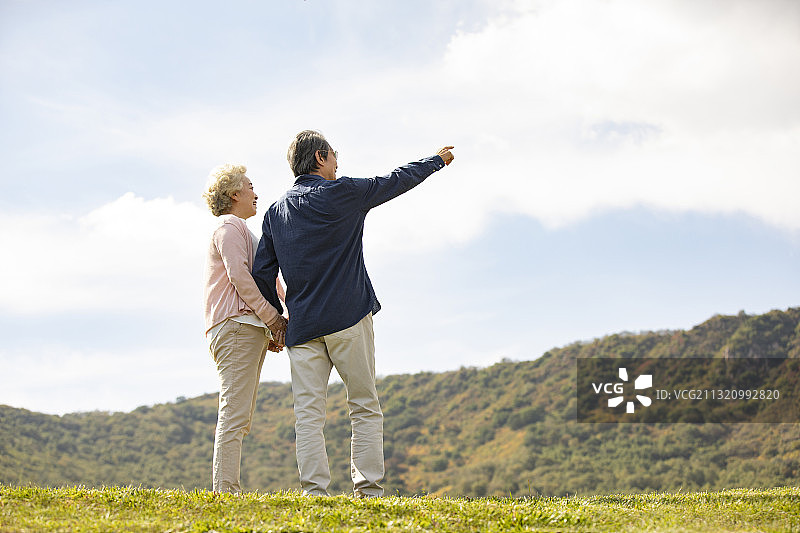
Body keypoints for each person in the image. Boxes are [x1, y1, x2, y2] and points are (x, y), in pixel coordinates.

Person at [253, 130, 454, 497]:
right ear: (320, 157)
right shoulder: (343, 192)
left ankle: (314, 492)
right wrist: (436, 161)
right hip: (348, 317)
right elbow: (394, 181)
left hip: (302, 327)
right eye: (334, 154)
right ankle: (368, 490)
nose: (337, 161)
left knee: (308, 416)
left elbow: (262, 273)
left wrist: (276, 320)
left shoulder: (274, 213)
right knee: (363, 405)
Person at [202, 163, 288, 493]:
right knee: (235, 412)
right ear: (234, 194)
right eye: (250, 186)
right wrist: (272, 319)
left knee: (240, 413)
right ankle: (225, 492)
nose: (256, 193)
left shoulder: (242, 231)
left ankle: (227, 489)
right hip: (236, 326)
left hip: (245, 327)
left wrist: (270, 324)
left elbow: (267, 282)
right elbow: (239, 276)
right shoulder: (229, 226)